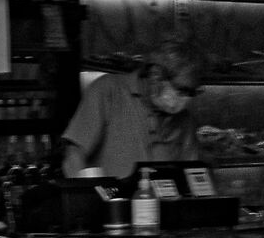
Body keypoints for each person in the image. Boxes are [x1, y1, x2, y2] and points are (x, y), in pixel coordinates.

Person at [60, 41, 222, 178]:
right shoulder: (108, 91)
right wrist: (87, 197)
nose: (185, 101)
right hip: (113, 204)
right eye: (181, 90)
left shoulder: (184, 119)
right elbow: (74, 155)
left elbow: (192, 174)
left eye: (192, 93)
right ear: (156, 75)